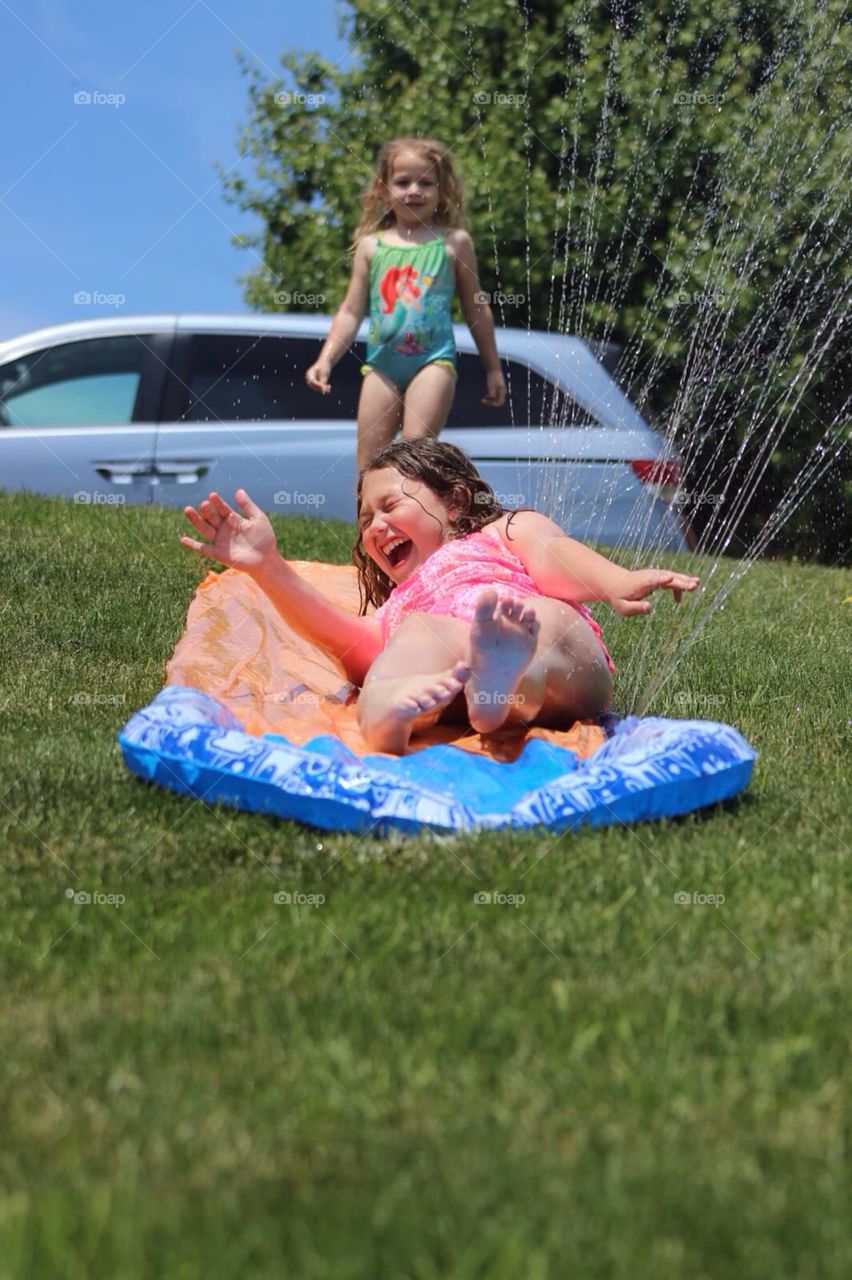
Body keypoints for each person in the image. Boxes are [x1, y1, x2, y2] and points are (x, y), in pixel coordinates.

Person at [180, 440, 700, 756]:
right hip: (453, 653)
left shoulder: (504, 531)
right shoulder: (404, 604)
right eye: (366, 520)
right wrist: (267, 568)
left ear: (453, 501)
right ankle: (392, 712)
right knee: (408, 641)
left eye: (388, 505)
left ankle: (511, 682)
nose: (376, 526)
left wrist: (613, 582)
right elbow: (349, 644)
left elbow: (555, 557)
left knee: (546, 619)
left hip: (525, 630)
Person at [304, 136, 507, 469]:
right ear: (384, 189)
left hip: (432, 361)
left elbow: (476, 307)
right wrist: (325, 359)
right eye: (403, 182)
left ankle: (409, 520)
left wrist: (493, 368)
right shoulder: (372, 247)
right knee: (369, 461)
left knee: (416, 455)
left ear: (442, 190)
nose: (414, 190)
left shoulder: (454, 243)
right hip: (381, 365)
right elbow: (351, 311)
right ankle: (368, 523)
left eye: (426, 182)